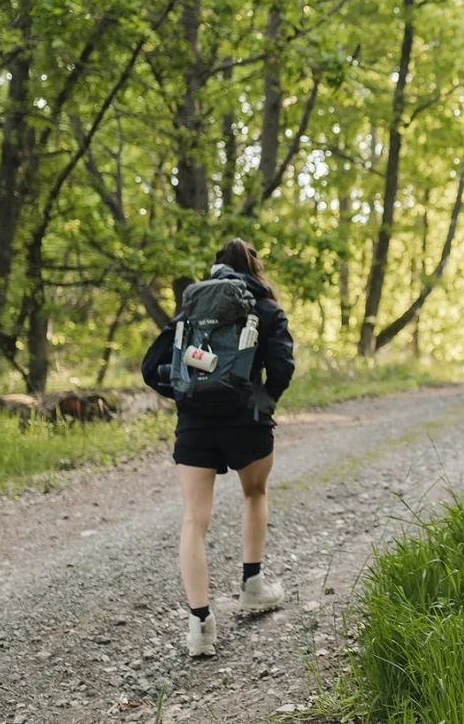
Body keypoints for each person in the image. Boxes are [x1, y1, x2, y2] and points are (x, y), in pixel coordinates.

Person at [142, 239, 296, 657]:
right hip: (247, 420)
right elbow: (282, 366)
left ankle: (199, 626)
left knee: (194, 519)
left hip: (195, 424)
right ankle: (252, 586)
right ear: (254, 268)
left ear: (214, 269)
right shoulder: (264, 307)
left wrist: (186, 395)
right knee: (255, 492)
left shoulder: (191, 309)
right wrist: (264, 400)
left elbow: (150, 367)